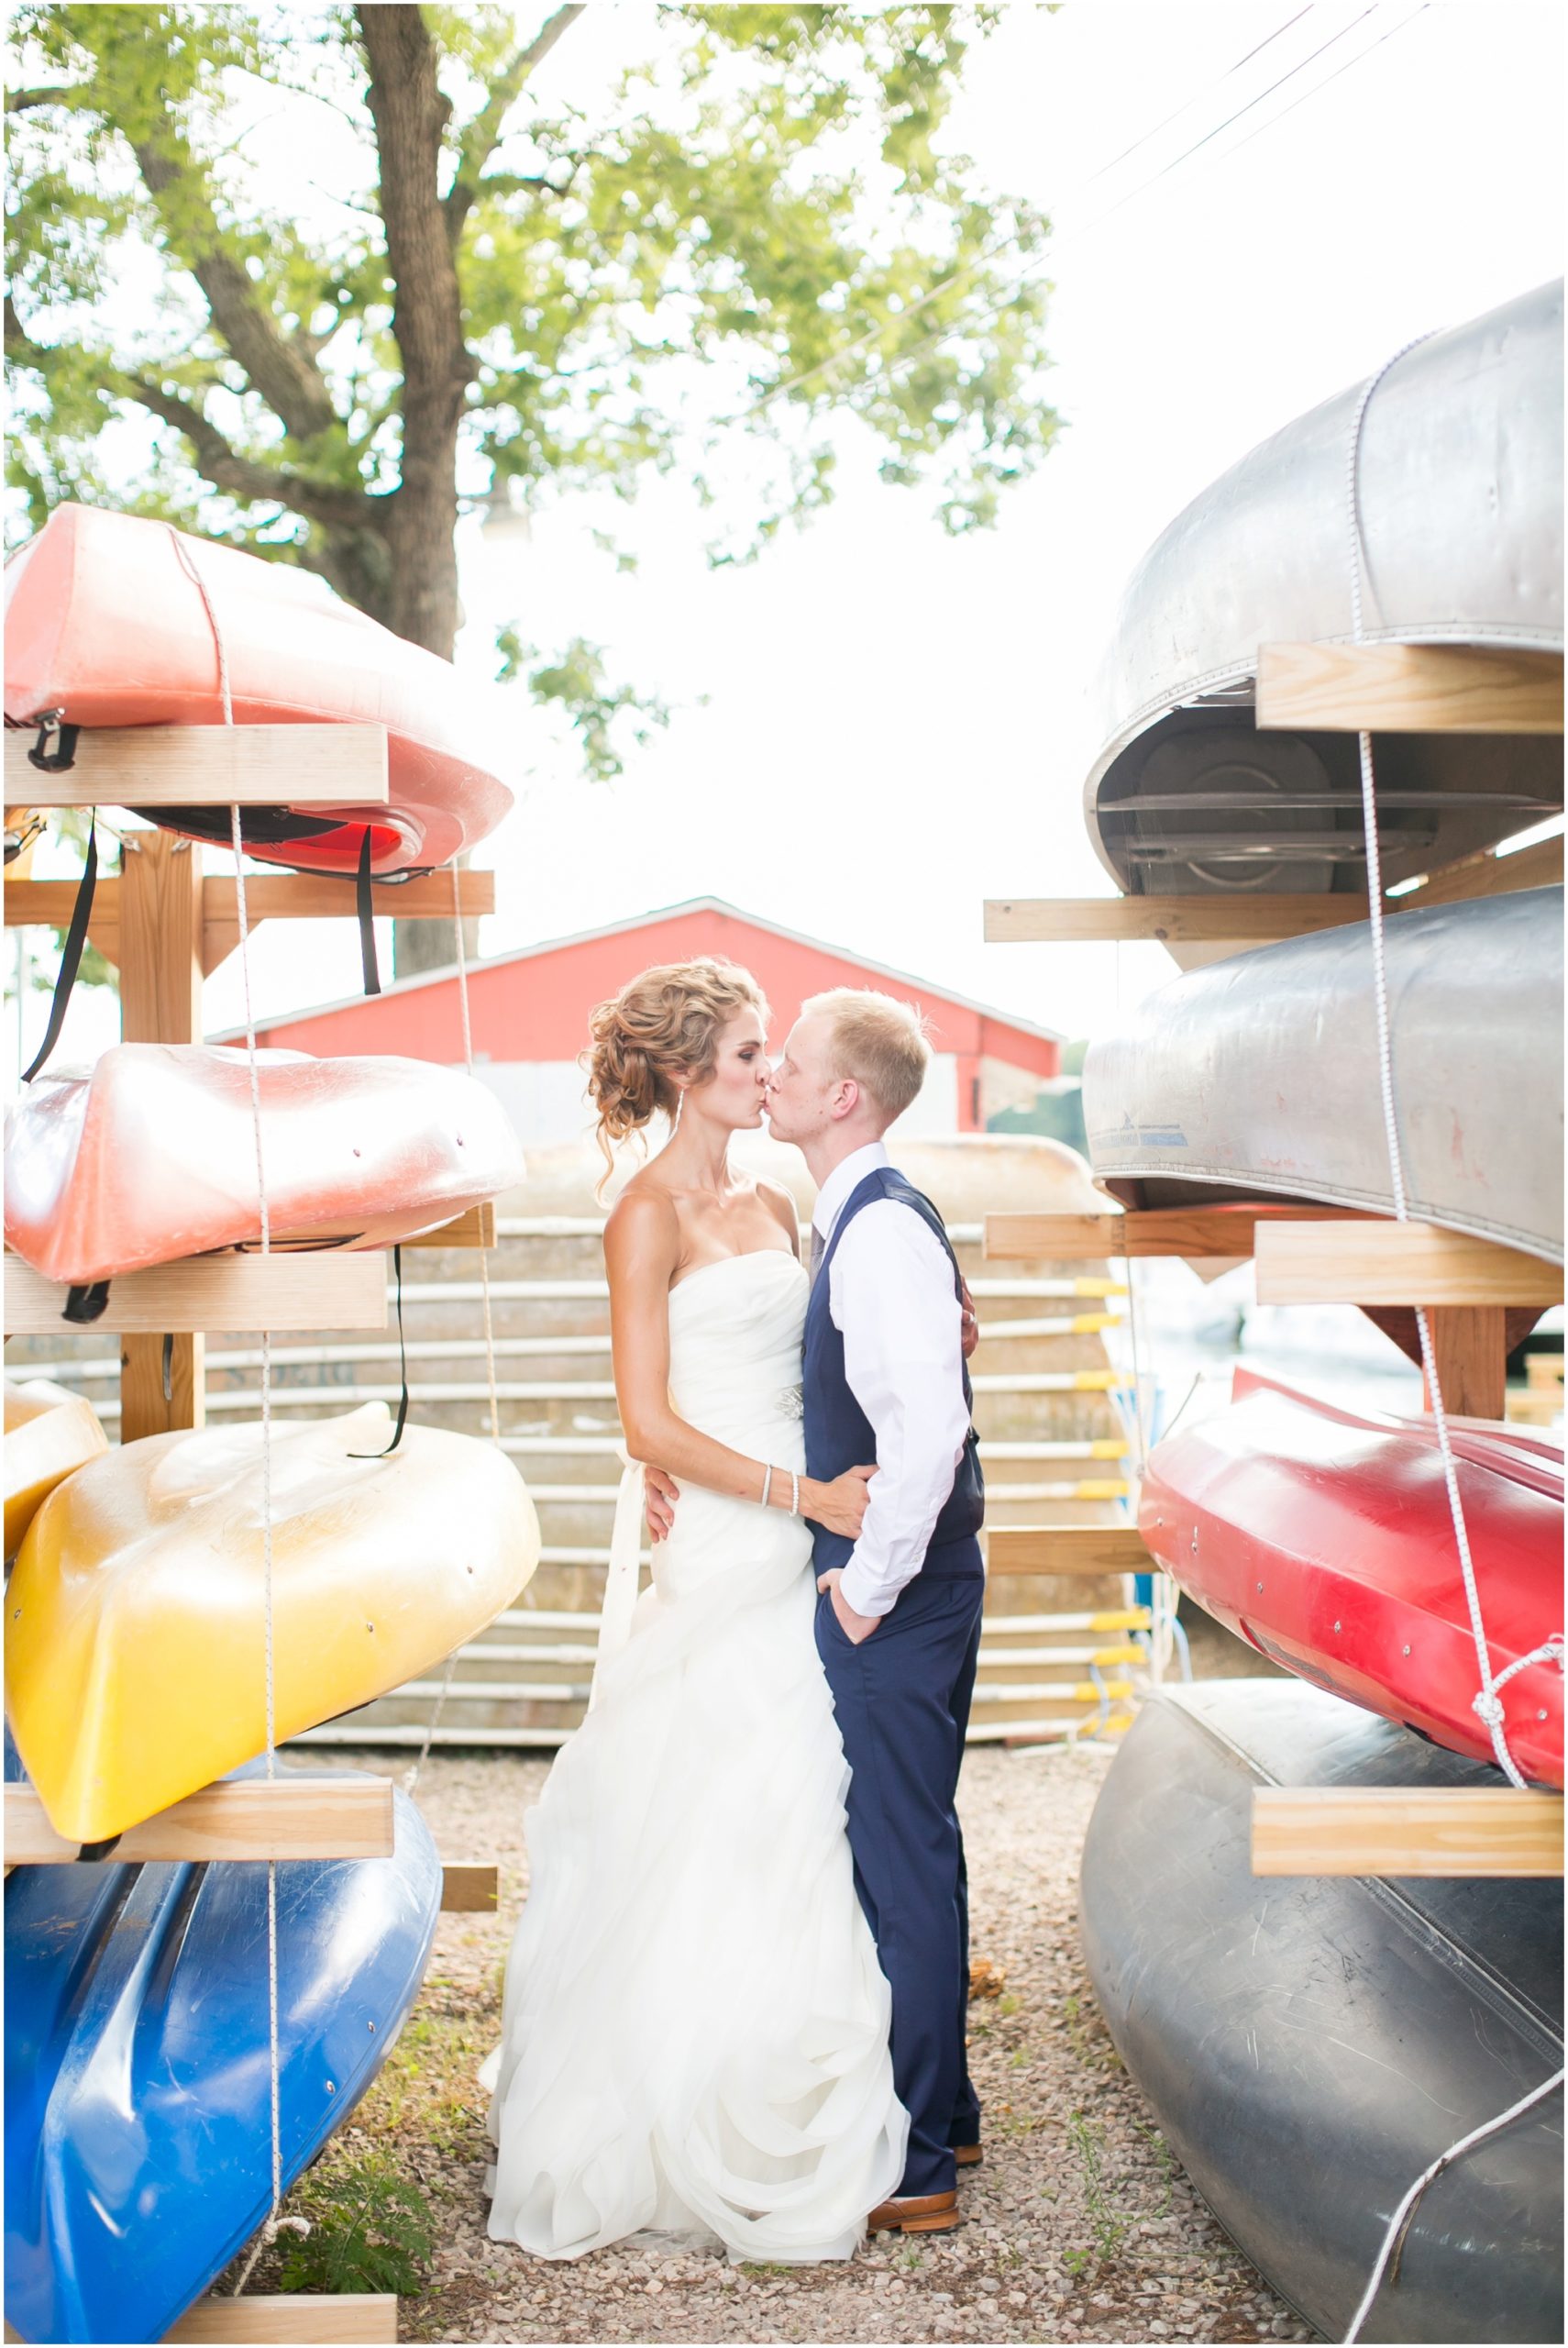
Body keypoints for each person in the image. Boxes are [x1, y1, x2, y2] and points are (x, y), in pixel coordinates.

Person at [483, 957, 908, 2264]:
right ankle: (663, 2101)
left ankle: (779, 2076)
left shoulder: (782, 1195)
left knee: (799, 1799)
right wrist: (801, 1497)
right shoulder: (643, 1216)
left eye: (769, 1049)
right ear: (684, 1074)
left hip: (812, 1508)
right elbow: (645, 1419)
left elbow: (835, 1340)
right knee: (714, 1783)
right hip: (739, 1527)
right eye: (743, 1052)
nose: (765, 1069)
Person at [762, 989, 986, 2237]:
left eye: (791, 1063)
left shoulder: (878, 1232)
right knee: (916, 1849)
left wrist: (865, 1586)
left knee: (898, 1864)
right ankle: (941, 2111)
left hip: (897, 1600)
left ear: (842, 1095)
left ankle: (913, 2162)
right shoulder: (864, 1218)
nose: (774, 1078)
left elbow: (928, 1432)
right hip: (914, 1593)